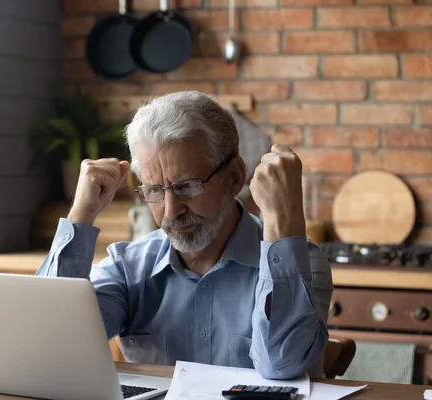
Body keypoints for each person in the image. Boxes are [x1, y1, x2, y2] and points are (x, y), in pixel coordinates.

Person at [36, 91, 333, 380]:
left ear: (234, 178)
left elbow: (282, 365)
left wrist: (282, 221)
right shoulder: (127, 269)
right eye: (154, 190)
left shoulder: (301, 262)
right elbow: (49, 347)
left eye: (186, 186)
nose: (170, 211)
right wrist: (81, 215)